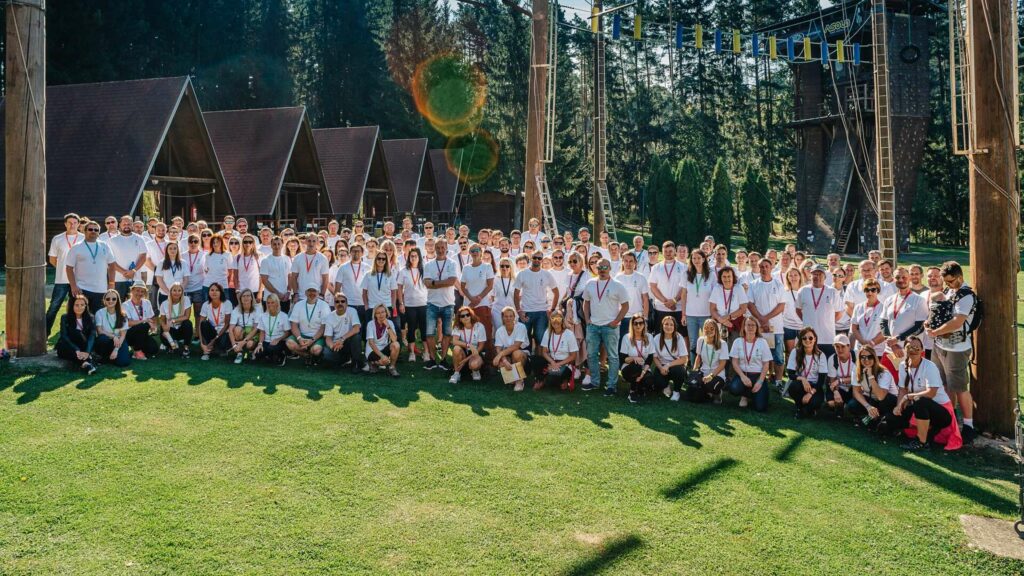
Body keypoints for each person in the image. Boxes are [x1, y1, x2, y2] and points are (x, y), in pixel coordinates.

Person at [926, 261, 978, 444]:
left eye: (950, 281)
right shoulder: (949, 291)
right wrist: (930, 324)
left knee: (959, 387)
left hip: (957, 348)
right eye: (946, 281)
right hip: (941, 345)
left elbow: (957, 322)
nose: (948, 285)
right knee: (943, 384)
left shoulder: (966, 295)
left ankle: (969, 426)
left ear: (960, 277)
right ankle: (950, 418)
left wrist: (935, 332)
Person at [886, 336, 962, 451]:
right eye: (909, 347)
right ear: (905, 349)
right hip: (918, 407)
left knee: (919, 400)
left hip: (941, 413)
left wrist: (908, 397)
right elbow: (902, 389)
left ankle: (921, 441)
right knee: (888, 422)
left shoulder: (929, 366)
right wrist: (898, 407)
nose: (913, 350)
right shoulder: (902, 366)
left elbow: (931, 393)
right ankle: (915, 430)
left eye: (917, 347)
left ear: (922, 350)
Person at [581, 259, 630, 397]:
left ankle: (611, 386)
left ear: (610, 268)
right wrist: (587, 319)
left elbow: (625, 306)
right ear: (596, 268)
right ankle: (595, 382)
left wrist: (616, 321)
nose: (602, 269)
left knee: (613, 357)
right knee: (591, 355)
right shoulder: (590, 283)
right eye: (599, 267)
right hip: (593, 326)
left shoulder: (617, 285)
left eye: (605, 267)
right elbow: (586, 302)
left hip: (610, 327)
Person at [880, 267, 928, 370]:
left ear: (909, 278)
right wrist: (892, 344)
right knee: (885, 378)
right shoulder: (889, 299)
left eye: (904, 277)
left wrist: (897, 339)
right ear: (894, 279)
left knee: (911, 380)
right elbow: (883, 322)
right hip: (891, 350)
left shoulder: (919, 300)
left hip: (912, 351)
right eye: (897, 277)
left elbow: (920, 327)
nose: (901, 280)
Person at [748, 258, 786, 385]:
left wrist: (766, 318)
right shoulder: (753, 284)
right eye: (762, 267)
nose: (764, 269)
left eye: (766, 266)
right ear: (758, 268)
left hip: (776, 327)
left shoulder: (779, 284)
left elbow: (781, 305)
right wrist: (761, 319)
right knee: (759, 354)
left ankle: (778, 381)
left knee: (778, 356)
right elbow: (750, 304)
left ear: (771, 268)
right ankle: (761, 379)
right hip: (758, 327)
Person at [423, 239, 459, 370]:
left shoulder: (452, 263)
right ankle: (433, 359)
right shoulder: (429, 264)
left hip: (448, 303)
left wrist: (434, 283)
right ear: (434, 248)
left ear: (446, 248)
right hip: (432, 303)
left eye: (442, 247)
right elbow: (427, 283)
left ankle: (443, 359)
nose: (440, 250)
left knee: (447, 333)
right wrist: (443, 282)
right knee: (429, 334)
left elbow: (452, 281)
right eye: (438, 247)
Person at [66, 221, 116, 314]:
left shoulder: (105, 246)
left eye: (96, 230)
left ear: (98, 233)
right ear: (84, 231)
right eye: (90, 229)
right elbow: (69, 268)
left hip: (101, 289)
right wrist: (73, 286)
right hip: (82, 289)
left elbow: (112, 265)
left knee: (99, 317)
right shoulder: (76, 247)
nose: (93, 231)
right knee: (80, 316)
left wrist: (111, 284)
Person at [513, 250, 559, 350]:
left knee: (541, 339)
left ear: (542, 260)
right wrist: (519, 311)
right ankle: (526, 359)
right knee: (524, 341)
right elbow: (516, 293)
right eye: (534, 258)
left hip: (542, 312)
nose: (537, 260)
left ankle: (540, 359)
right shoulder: (522, 273)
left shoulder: (546, 274)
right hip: (526, 311)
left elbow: (556, 292)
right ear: (531, 258)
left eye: (539, 258)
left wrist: (552, 309)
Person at [846, 346, 898, 431]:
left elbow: (880, 396)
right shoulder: (856, 369)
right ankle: (873, 418)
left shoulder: (884, 372)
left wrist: (870, 375)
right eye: (863, 357)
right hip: (872, 399)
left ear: (874, 358)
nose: (866, 360)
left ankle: (879, 419)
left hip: (888, 401)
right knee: (852, 405)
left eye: (869, 357)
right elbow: (856, 392)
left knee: (884, 401)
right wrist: (868, 407)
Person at [46, 213, 83, 334]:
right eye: (70, 223)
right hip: (61, 280)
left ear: (78, 224)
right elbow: (52, 259)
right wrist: (64, 269)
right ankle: (44, 334)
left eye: (75, 223)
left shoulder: (84, 238)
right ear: (65, 224)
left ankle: (76, 334)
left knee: (78, 308)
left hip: (79, 281)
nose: (72, 225)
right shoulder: (57, 239)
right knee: (53, 307)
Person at [796, 265, 842, 358]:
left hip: (827, 337)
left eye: (820, 274)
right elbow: (798, 309)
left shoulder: (832, 291)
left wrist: (828, 322)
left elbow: (839, 312)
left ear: (825, 277)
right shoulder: (803, 290)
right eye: (815, 274)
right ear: (810, 276)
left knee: (828, 363)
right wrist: (807, 321)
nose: (817, 277)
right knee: (808, 363)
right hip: (808, 338)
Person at [727, 317, 771, 411]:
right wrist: (742, 376)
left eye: (753, 325)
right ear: (744, 327)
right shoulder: (738, 341)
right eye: (748, 325)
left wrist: (760, 381)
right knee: (734, 388)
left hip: (758, 376)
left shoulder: (762, 342)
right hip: (743, 374)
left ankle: (754, 394)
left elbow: (766, 364)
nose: (750, 327)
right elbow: (734, 362)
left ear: (756, 328)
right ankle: (745, 395)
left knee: (761, 408)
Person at [786, 327, 830, 419]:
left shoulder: (821, 355)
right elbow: (790, 374)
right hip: (801, 384)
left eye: (810, 338)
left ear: (815, 339)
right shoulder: (795, 352)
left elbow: (821, 380)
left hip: (815, 386)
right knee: (794, 386)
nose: (807, 340)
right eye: (804, 338)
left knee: (815, 403)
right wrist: (803, 379)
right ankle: (799, 407)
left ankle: (807, 407)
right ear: (801, 340)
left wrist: (811, 393)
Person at [459, 245, 495, 355]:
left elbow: (490, 285)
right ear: (469, 253)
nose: (475, 252)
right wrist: (471, 299)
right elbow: (462, 286)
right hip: (469, 305)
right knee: (469, 332)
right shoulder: (466, 267)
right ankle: (469, 356)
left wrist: (479, 298)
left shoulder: (487, 266)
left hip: (483, 304)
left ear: (481, 252)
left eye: (477, 250)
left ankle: (488, 359)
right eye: (472, 251)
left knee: (486, 332)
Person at [850, 278, 889, 377]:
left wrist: (872, 343)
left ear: (878, 291)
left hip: (877, 350)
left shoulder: (883, 308)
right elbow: (854, 327)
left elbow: (886, 330)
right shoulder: (858, 307)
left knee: (875, 377)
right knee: (861, 377)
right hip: (860, 349)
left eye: (873, 290)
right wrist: (863, 342)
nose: (870, 292)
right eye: (867, 290)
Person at [532, 310, 578, 391]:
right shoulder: (548, 332)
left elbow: (573, 356)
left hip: (565, 364)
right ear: (550, 320)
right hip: (551, 362)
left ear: (562, 320)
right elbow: (544, 352)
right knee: (536, 359)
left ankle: (563, 380)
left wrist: (558, 364)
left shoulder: (569, 334)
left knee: (554, 380)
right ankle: (540, 380)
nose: (555, 321)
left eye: (558, 318)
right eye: (553, 318)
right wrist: (552, 363)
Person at [397, 247, 429, 362]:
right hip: (409, 305)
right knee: (411, 328)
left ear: (419, 257)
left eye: (415, 256)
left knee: (424, 329)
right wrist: (401, 303)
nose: (413, 258)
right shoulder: (403, 271)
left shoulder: (424, 270)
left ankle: (426, 352)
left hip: (423, 304)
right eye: (411, 256)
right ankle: (411, 352)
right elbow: (399, 288)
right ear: (408, 257)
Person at [286, 286, 330, 367]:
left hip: (317, 337)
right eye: (309, 291)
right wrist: (299, 339)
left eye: (314, 291)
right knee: (289, 343)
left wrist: (312, 340)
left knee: (316, 350)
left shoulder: (324, 305)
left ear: (318, 293)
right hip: (302, 336)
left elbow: (323, 328)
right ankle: (307, 355)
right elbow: (294, 325)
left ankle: (312, 353)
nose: (311, 293)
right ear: (305, 293)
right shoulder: (298, 304)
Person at [108, 215, 148, 300]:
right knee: (119, 304)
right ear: (120, 225)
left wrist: (133, 271)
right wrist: (123, 272)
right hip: (118, 279)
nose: (126, 226)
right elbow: (110, 260)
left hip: (135, 279)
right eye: (124, 224)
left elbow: (143, 256)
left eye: (129, 224)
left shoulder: (139, 239)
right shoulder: (112, 240)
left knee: (135, 303)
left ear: (132, 225)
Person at [648, 242, 684, 335]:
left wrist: (674, 301)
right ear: (662, 252)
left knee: (679, 336)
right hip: (660, 307)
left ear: (675, 251)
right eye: (666, 251)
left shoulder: (683, 267)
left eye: (670, 251)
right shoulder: (656, 267)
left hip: (678, 307)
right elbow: (653, 286)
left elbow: (684, 287)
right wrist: (666, 302)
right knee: (659, 336)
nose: (668, 253)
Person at [323, 292, 363, 374]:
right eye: (337, 302)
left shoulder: (352, 311)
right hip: (336, 344)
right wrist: (333, 346)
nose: (340, 303)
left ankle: (356, 364)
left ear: (347, 303)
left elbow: (356, 329)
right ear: (334, 304)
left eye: (342, 301)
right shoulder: (329, 316)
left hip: (348, 341)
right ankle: (344, 360)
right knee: (326, 354)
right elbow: (328, 338)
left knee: (356, 337)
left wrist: (342, 339)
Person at [56, 294, 97, 375]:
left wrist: (87, 352)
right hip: (67, 346)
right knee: (76, 334)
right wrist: (76, 349)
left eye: (82, 305)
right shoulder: (65, 317)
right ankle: (88, 362)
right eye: (77, 305)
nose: (79, 307)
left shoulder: (91, 317)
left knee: (80, 335)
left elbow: (92, 335)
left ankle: (86, 364)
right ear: (72, 306)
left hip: (83, 346)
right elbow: (64, 336)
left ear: (85, 306)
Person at [493, 306, 531, 391]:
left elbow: (516, 346)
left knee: (516, 353)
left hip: (522, 354)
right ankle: (512, 379)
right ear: (502, 318)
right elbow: (498, 349)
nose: (508, 318)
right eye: (506, 316)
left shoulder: (521, 327)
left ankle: (519, 380)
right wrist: (504, 361)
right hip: (507, 355)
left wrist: (500, 355)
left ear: (514, 317)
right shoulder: (499, 331)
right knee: (501, 364)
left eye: (511, 316)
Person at [651, 315, 689, 401]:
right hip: (662, 366)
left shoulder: (679, 337)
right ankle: (666, 386)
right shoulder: (657, 338)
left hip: (675, 365)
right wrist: (660, 368)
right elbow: (655, 357)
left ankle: (676, 392)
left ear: (674, 327)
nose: (669, 327)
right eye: (666, 324)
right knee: (657, 383)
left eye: (671, 325)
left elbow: (684, 359)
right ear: (662, 325)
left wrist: (668, 365)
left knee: (679, 371)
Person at [690, 319, 728, 403]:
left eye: (712, 328)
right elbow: (698, 357)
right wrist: (694, 372)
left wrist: (711, 376)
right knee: (695, 396)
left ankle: (717, 394)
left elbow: (722, 364)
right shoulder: (700, 340)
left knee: (710, 385)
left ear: (716, 330)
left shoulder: (722, 343)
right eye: (706, 328)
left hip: (717, 374)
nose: (708, 330)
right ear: (703, 329)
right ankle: (707, 393)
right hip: (703, 372)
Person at [619, 314, 654, 403]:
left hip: (643, 368)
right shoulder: (626, 337)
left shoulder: (649, 337)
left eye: (641, 323)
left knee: (649, 380)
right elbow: (623, 358)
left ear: (644, 324)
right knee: (636, 366)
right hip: (628, 367)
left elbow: (650, 359)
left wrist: (643, 373)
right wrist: (634, 358)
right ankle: (632, 391)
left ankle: (640, 388)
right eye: (635, 323)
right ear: (632, 325)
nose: (638, 325)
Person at [708, 266, 749, 343]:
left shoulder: (739, 288)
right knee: (719, 347)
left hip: (735, 324)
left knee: (734, 347)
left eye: (729, 276)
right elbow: (712, 309)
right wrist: (721, 319)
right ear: (720, 278)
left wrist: (728, 316)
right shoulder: (716, 288)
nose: (727, 279)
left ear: (733, 277)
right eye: (724, 276)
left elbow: (743, 309)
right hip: (719, 323)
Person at [615, 251, 649, 341]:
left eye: (631, 261)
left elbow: (645, 299)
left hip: (637, 317)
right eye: (626, 261)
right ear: (622, 262)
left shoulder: (641, 277)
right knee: (622, 343)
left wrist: (645, 318)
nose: (628, 263)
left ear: (635, 263)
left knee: (638, 343)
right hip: (622, 317)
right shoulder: (617, 278)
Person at [449, 306, 487, 384]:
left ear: (471, 315)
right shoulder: (457, 326)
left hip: (476, 352)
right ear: (460, 319)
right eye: (462, 316)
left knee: (474, 365)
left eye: (467, 315)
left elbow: (481, 346)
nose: (465, 317)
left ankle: (475, 370)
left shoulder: (479, 326)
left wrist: (465, 360)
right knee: (456, 348)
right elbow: (454, 341)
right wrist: (469, 345)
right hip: (464, 351)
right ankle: (456, 373)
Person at [93, 289, 131, 366]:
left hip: (119, 341)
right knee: (102, 338)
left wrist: (116, 350)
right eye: (108, 299)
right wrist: (114, 337)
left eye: (114, 299)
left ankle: (112, 356)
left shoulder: (123, 314)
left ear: (117, 300)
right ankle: (104, 356)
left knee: (123, 363)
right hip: (106, 340)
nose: (111, 301)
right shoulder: (99, 313)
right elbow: (100, 331)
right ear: (104, 300)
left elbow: (123, 335)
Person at [123, 280, 160, 360]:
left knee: (154, 349)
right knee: (144, 325)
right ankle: (137, 351)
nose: (139, 293)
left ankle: (137, 348)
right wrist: (144, 321)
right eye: (137, 290)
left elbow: (151, 318)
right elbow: (128, 323)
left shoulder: (147, 302)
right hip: (128, 335)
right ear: (132, 290)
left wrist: (153, 325)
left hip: (142, 333)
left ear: (145, 292)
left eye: (142, 291)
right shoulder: (125, 305)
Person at [290, 234, 330, 303]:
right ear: (305, 241)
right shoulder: (297, 258)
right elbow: (293, 277)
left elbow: (325, 278)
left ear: (317, 242)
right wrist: (296, 293)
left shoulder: (323, 258)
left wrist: (322, 294)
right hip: (301, 296)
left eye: (314, 241)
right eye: (309, 241)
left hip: (316, 297)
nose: (311, 243)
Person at [198, 282, 233, 360]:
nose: (214, 292)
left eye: (217, 290)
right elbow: (200, 324)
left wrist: (213, 340)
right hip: (213, 330)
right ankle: (206, 351)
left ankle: (220, 348)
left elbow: (227, 324)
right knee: (204, 323)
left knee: (222, 345)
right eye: (212, 290)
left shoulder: (227, 303)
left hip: (224, 331)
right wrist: (201, 343)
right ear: (209, 292)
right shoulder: (205, 304)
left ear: (221, 292)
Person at [159, 282, 193, 358]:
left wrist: (173, 320)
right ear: (170, 291)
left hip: (181, 329)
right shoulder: (164, 303)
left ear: (182, 292)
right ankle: (171, 346)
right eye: (174, 290)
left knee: (188, 323)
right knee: (162, 329)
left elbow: (187, 316)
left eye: (179, 290)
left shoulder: (186, 299)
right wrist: (164, 326)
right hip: (171, 329)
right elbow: (162, 319)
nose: (177, 293)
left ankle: (186, 348)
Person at [365, 304, 401, 377]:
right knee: (383, 361)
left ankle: (392, 367)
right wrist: (382, 356)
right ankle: (373, 363)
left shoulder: (390, 322)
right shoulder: (370, 324)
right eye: (378, 313)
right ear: (375, 315)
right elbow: (371, 343)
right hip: (372, 350)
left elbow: (394, 339)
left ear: (386, 312)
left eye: (382, 312)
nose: (381, 315)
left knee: (396, 345)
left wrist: (388, 326)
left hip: (384, 348)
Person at [824, 334, 855, 417]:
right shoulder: (832, 358)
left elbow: (859, 377)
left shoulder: (856, 356)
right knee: (831, 403)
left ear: (849, 346)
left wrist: (841, 380)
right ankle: (839, 406)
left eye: (843, 346)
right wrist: (836, 392)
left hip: (854, 387)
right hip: (839, 387)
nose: (840, 350)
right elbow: (832, 380)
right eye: (837, 347)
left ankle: (851, 408)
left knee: (853, 405)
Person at [255, 294, 290, 366]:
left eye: (272, 302)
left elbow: (287, 333)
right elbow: (262, 332)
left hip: (279, 341)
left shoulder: (284, 316)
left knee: (272, 349)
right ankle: (270, 356)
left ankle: (282, 355)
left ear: (277, 303)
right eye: (268, 303)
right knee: (258, 353)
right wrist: (260, 344)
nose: (270, 305)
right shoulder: (263, 316)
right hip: (266, 341)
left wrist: (278, 339)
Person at [228, 288, 261, 364]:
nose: (246, 298)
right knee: (237, 329)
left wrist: (243, 342)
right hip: (242, 332)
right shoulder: (236, 310)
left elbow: (255, 328)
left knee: (249, 344)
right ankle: (239, 353)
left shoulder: (258, 309)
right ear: (240, 298)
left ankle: (251, 352)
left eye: (248, 296)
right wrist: (234, 345)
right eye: (243, 296)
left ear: (252, 298)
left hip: (253, 332)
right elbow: (230, 329)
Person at [260, 236, 292, 313]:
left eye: (278, 244)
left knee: (284, 318)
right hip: (270, 298)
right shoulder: (265, 260)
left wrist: (288, 292)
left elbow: (290, 276)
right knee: (270, 318)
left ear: (282, 245)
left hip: (285, 297)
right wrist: (277, 293)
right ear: (271, 245)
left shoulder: (287, 259)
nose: (277, 246)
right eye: (274, 244)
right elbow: (264, 280)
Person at [231, 234, 262, 301]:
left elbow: (262, 276)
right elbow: (235, 276)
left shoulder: (258, 256)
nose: (248, 244)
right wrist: (237, 291)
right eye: (245, 242)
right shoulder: (237, 257)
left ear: (253, 244)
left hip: (255, 290)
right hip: (242, 291)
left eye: (250, 242)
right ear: (242, 243)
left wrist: (260, 292)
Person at [204, 234, 232, 304]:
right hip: (208, 285)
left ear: (221, 243)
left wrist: (226, 282)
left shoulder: (227, 255)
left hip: (223, 285)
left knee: (225, 306)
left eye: (217, 242)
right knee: (208, 306)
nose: (215, 244)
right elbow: (206, 270)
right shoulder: (208, 255)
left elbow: (230, 271)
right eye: (213, 242)